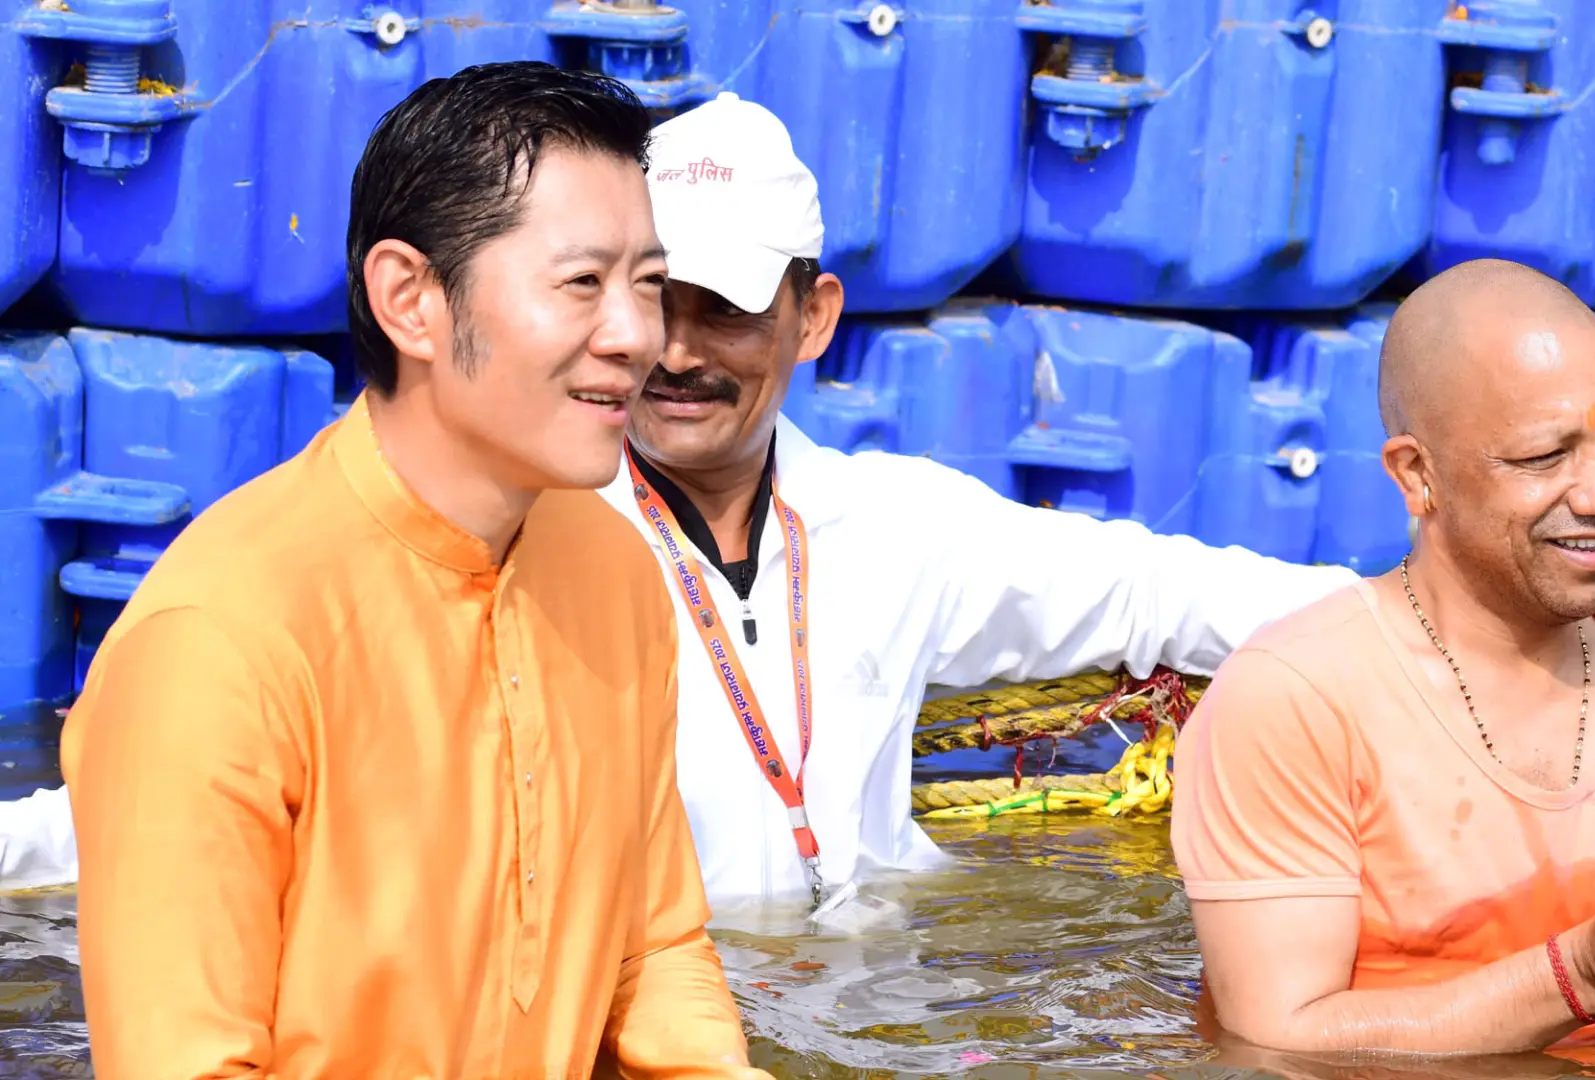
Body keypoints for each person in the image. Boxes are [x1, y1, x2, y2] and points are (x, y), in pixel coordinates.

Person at [58, 62, 768, 1079]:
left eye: (647, 284)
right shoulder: (219, 641)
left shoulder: (613, 571)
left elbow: (652, 951)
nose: (638, 338)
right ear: (411, 299)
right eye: (582, 283)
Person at [600, 92, 1362, 910]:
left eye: (725, 310)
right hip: (663, 1005)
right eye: (654, 299)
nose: (676, 352)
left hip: (867, 1005)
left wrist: (1434, 628)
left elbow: (1155, 593)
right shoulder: (546, 535)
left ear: (814, 318)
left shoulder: (891, 527)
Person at [1169, 258, 1595, 1058]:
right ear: (1418, 474)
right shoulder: (1296, 694)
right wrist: (1582, 976)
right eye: (1545, 457)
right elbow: (1276, 1039)